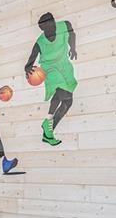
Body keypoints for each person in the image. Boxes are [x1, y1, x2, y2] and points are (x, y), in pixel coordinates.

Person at [24, 12, 78, 146]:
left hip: (64, 66)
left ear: (54, 22)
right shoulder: (40, 42)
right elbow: (30, 60)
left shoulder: (64, 25)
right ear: (43, 30)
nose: (51, 29)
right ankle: (47, 120)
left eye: (52, 24)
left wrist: (73, 47)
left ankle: (48, 132)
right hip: (50, 69)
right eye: (46, 28)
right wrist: (27, 68)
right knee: (60, 90)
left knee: (68, 102)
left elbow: (72, 34)